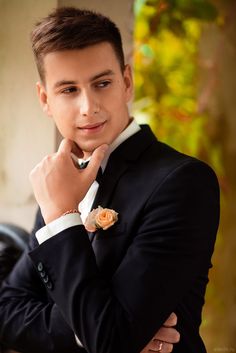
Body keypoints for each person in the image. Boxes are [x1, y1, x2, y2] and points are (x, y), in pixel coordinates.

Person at [0, 7, 220, 353]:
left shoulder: (183, 182)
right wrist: (82, 332)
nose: (88, 106)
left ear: (127, 81)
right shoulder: (59, 181)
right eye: (69, 90)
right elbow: (7, 311)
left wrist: (61, 216)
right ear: (45, 99)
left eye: (102, 83)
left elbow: (112, 341)